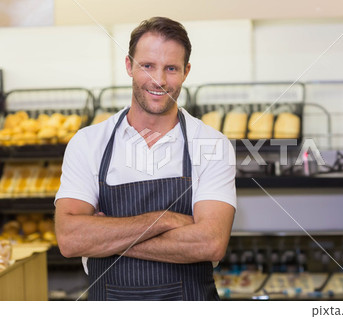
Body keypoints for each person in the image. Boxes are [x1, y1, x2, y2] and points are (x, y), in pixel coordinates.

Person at [54, 17, 236, 301]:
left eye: (171, 68)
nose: (159, 80)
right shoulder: (88, 143)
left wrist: (105, 235)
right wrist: (165, 220)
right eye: (147, 66)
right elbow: (70, 239)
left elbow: (210, 243)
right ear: (129, 65)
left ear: (186, 72)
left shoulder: (212, 144)